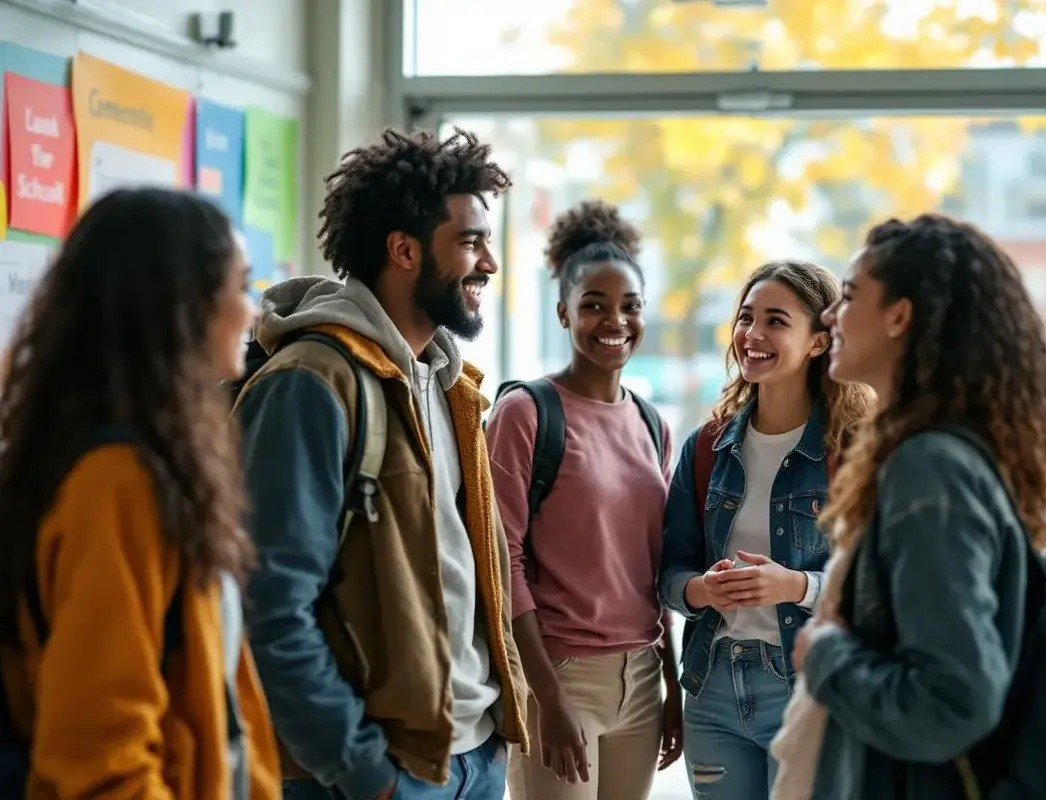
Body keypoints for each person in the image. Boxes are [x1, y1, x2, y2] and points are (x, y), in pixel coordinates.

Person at [235, 127, 528, 800]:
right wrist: (362, 771)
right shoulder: (310, 383)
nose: (489, 262)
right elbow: (270, 605)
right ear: (403, 250)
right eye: (470, 241)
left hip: (472, 754)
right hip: (374, 772)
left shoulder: (452, 384)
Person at [0, 187, 280, 799]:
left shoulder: (150, 459)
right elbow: (103, 757)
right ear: (180, 305)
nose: (254, 310)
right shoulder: (117, 481)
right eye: (240, 285)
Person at [788, 214, 1046, 797]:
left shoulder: (930, 468)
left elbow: (954, 702)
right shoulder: (927, 454)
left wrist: (824, 654)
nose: (828, 316)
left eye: (847, 297)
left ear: (899, 315)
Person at [486, 201, 685, 800]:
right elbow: (503, 561)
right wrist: (545, 696)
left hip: (643, 679)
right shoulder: (525, 413)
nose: (613, 320)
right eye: (593, 304)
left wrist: (671, 685)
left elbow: (654, 568)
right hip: (560, 676)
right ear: (563, 312)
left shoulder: (653, 423)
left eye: (629, 306)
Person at [658, 260, 873, 798]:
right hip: (711, 692)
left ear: (819, 342)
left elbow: (876, 581)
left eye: (776, 320)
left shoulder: (852, 451)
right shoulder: (707, 447)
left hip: (808, 688)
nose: (752, 335)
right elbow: (669, 570)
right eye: (746, 317)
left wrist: (796, 587)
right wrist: (698, 590)